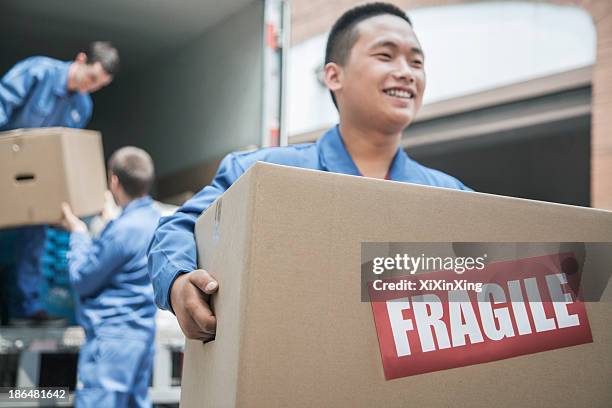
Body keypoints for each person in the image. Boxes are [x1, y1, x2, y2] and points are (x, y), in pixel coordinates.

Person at [147, 2, 472, 341]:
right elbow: (176, 228)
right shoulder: (261, 174)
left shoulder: (454, 198)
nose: (406, 72)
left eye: (416, 61)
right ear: (333, 75)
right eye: (386, 56)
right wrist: (178, 282)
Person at [0, 41, 119, 320]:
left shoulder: (82, 105)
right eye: (91, 78)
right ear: (80, 60)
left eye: (98, 85)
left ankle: (26, 309)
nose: (91, 87)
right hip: (5, 165)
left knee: (35, 240)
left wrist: (61, 199)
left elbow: (63, 154)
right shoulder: (37, 71)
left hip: (36, 180)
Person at [61, 147, 160, 408]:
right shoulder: (155, 221)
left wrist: (79, 233)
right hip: (142, 337)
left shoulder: (122, 230)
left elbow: (83, 279)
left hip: (112, 339)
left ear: (114, 181)